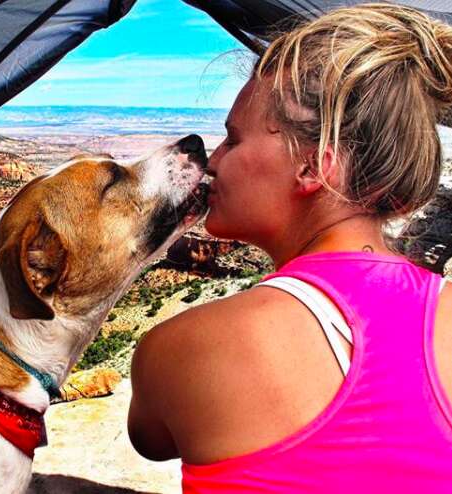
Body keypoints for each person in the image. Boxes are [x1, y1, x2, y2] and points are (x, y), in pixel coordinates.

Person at [127, 3, 452, 493]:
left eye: (232, 140)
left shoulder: (182, 349)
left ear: (313, 167)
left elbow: (149, 437)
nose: (213, 160)